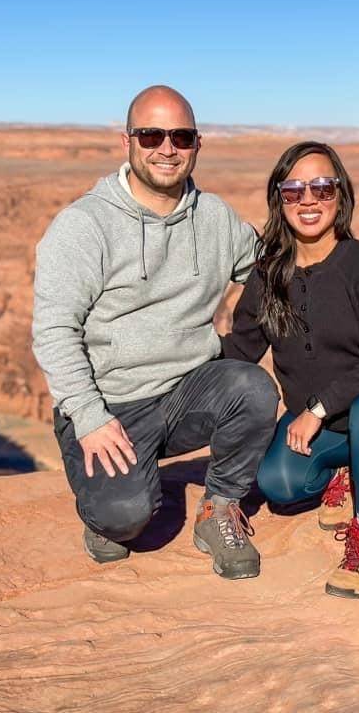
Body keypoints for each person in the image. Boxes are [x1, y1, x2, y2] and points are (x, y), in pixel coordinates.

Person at [32, 85, 279, 580]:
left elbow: (269, 271)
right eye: (151, 135)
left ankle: (219, 509)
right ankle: (108, 504)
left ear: (197, 144)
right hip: (112, 405)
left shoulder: (214, 219)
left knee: (252, 389)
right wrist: (87, 416)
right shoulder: (85, 225)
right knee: (125, 520)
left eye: (181, 136)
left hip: (187, 391)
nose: (167, 148)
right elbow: (54, 329)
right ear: (127, 140)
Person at [222, 141, 359, 598]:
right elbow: (240, 348)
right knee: (278, 484)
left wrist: (316, 409)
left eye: (322, 187)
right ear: (279, 199)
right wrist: (179, 363)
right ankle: (348, 470)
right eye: (294, 190)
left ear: (341, 195)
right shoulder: (268, 275)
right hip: (327, 428)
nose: (309, 200)